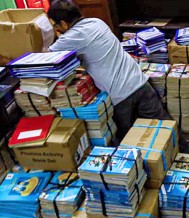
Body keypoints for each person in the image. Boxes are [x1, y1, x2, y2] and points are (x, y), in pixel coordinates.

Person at [46, 0, 171, 144]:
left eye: (56, 25)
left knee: (129, 143)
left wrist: (54, 36)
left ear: (63, 23)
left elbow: (43, 59)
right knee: (165, 130)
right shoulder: (96, 22)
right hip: (140, 82)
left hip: (120, 96)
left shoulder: (70, 38)